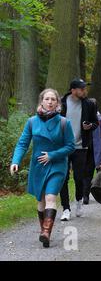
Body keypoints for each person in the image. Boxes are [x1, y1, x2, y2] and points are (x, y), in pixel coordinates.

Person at [10, 89, 75, 248]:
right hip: (38, 165)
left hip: (57, 165)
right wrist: (15, 161)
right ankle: (44, 231)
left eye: (53, 99)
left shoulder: (64, 123)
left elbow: (71, 146)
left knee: (51, 197)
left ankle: (46, 232)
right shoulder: (32, 122)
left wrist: (52, 155)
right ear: (41, 102)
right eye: (47, 99)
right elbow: (23, 143)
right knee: (40, 200)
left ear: (57, 103)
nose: (50, 101)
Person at [59, 78, 98, 221]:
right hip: (63, 147)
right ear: (73, 90)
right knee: (63, 177)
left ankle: (79, 201)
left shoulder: (89, 104)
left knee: (78, 177)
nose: (84, 91)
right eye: (82, 89)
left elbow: (95, 123)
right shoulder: (61, 103)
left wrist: (90, 126)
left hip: (81, 146)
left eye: (85, 89)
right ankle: (65, 208)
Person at [87, 98, 101, 189]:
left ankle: (98, 187)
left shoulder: (99, 118)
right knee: (88, 170)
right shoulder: (85, 118)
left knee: (98, 168)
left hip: (98, 147)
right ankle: (88, 189)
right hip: (90, 147)